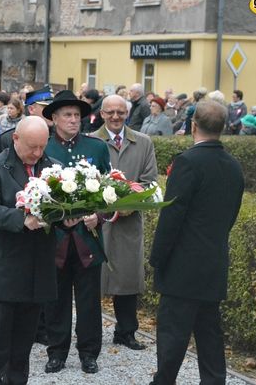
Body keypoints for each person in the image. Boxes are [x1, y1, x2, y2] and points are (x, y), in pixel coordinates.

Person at [149, 100, 244, 384]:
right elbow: (230, 215)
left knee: (172, 336)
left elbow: (172, 216)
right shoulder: (233, 166)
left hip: (182, 266)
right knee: (210, 333)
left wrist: (157, 258)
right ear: (223, 128)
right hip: (214, 262)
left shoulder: (188, 162)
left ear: (193, 126)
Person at [0, 116, 58, 385]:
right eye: (32, 147)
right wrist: (23, 219)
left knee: (24, 342)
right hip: (5, 267)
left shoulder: (53, 168)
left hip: (38, 267)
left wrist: (70, 219)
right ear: (15, 139)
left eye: (42, 147)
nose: (37, 153)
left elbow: (60, 210)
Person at [43, 90, 110, 375]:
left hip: (87, 236)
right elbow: (34, 193)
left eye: (77, 115)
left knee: (88, 299)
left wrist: (100, 216)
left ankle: (89, 352)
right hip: (54, 238)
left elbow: (110, 192)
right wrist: (55, 218)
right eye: (67, 115)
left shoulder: (97, 148)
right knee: (55, 298)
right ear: (54, 118)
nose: (73, 120)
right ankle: (56, 352)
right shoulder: (43, 148)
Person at [91, 94, 158, 351]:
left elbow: (149, 179)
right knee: (92, 281)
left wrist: (128, 204)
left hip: (130, 222)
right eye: (110, 112)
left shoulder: (143, 142)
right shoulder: (92, 141)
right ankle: (90, 334)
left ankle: (126, 332)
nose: (116, 117)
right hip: (96, 222)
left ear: (127, 113)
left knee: (128, 281)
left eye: (120, 112)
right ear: (102, 114)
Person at [0, 85, 54, 155]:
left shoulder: (60, 137)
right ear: (31, 109)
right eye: (47, 108)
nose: (52, 112)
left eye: (53, 108)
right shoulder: (9, 138)